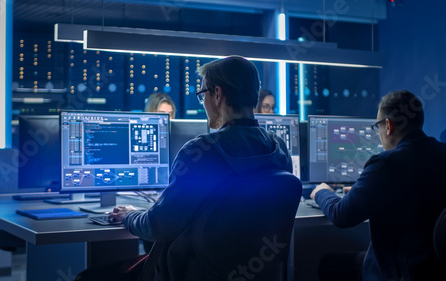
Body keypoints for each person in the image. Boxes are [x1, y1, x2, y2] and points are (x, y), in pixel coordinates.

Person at [75, 56, 293, 281]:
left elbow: (158, 226)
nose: (204, 103)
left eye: (203, 95)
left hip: (192, 272)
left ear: (217, 94)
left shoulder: (200, 152)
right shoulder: (279, 150)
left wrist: (129, 215)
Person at [310, 90, 446, 281]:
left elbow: (341, 215)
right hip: (434, 269)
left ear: (388, 126)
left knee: (330, 264)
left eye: (377, 126)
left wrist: (322, 192)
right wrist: (363, 190)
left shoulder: (386, 164)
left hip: (397, 272)